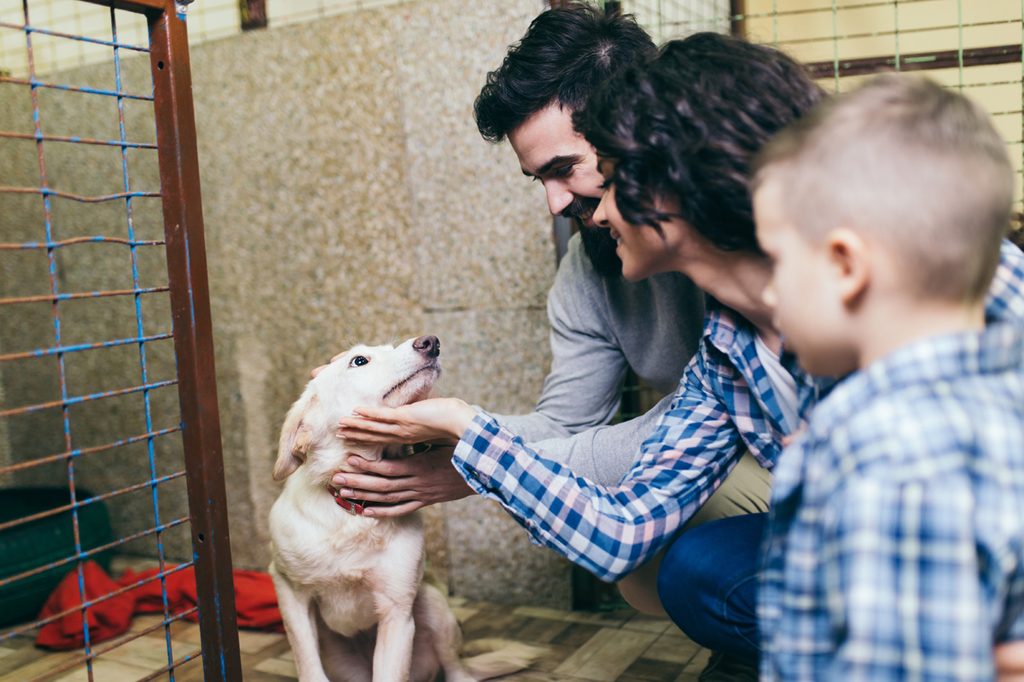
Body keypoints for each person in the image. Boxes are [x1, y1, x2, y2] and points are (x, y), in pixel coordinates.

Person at [335, 34, 1024, 681]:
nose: (590, 208)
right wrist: (467, 431)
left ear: (666, 174)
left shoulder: (935, 299)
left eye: (600, 173)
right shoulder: (729, 351)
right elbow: (623, 527)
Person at [326, 4, 768, 617]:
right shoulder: (629, 288)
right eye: (539, 180)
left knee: (695, 557)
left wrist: (473, 458)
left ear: (644, 135)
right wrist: (463, 442)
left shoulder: (776, 264)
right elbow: (581, 443)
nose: (557, 204)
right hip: (735, 458)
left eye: (575, 170)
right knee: (652, 570)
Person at [752, 73, 1024, 680]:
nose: (769, 290)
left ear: (846, 265)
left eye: (776, 259)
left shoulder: (891, 458)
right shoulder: (1006, 400)